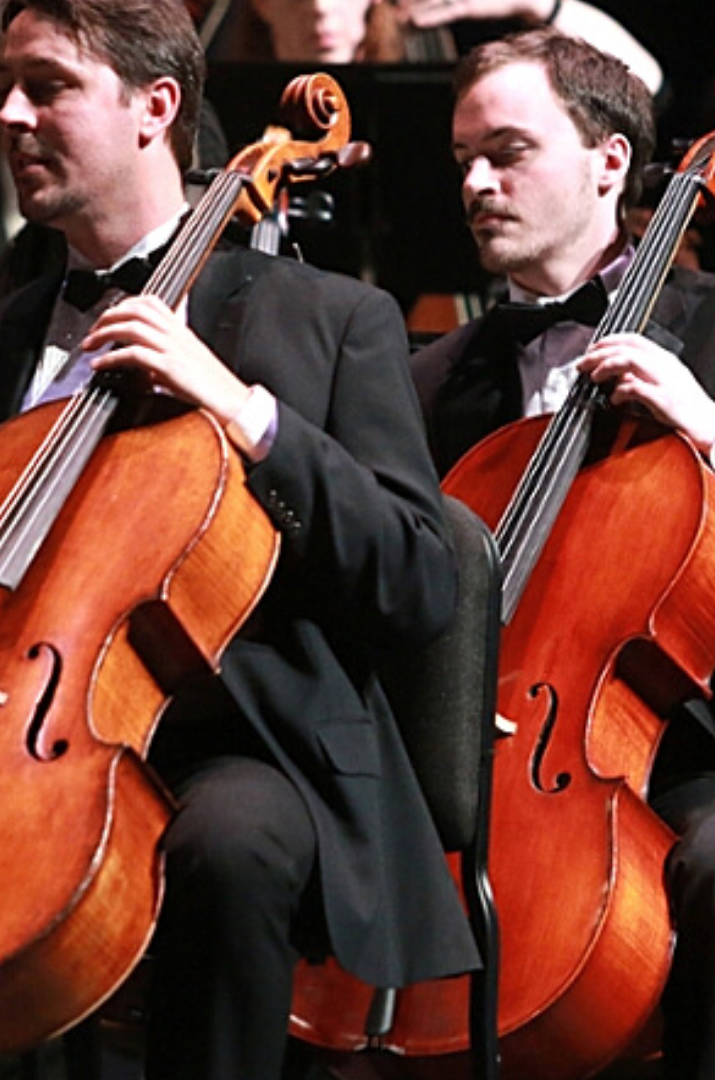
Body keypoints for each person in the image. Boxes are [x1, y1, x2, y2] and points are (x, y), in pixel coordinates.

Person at [411, 27, 715, 1080]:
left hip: (712, 753)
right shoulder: (437, 376)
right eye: (463, 161)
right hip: (493, 742)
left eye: (507, 151)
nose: (477, 182)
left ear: (611, 161)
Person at [0, 2, 478, 1079]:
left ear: (154, 109)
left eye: (47, 84)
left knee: (227, 846)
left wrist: (249, 415)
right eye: (7, 85)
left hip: (247, 738)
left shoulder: (327, 320)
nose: (8, 112)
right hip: (29, 716)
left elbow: (418, 578)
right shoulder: (12, 324)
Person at [212, 0, 664, 98]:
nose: (321, 9)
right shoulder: (225, 106)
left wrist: (533, 3)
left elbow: (645, 85)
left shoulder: (437, 93)